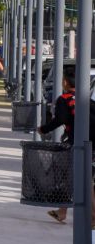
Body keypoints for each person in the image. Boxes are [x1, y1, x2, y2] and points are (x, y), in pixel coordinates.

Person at [39, 74, 95, 226]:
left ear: (65, 82)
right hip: (90, 143)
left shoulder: (64, 99)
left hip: (77, 144)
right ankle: (62, 211)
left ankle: (92, 216)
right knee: (72, 177)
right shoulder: (87, 100)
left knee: (82, 178)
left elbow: (60, 119)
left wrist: (44, 129)